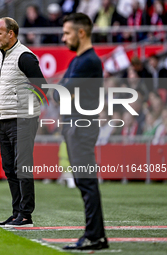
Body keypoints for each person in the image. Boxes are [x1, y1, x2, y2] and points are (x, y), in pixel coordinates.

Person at [53, 13, 108, 250]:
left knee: (86, 182)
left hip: (81, 126)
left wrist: (64, 90)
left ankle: (95, 235)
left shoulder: (88, 61)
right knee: (83, 181)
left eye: (67, 33)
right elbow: (58, 93)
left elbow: (60, 93)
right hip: (74, 125)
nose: (63, 38)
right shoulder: (78, 61)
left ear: (81, 33)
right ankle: (95, 234)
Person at [0, 17, 47, 227]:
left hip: (23, 118)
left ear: (11, 33)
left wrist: (27, 108)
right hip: (4, 118)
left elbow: (43, 88)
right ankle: (17, 213)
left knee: (22, 166)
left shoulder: (24, 56)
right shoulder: (0, 56)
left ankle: (26, 215)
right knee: (9, 167)